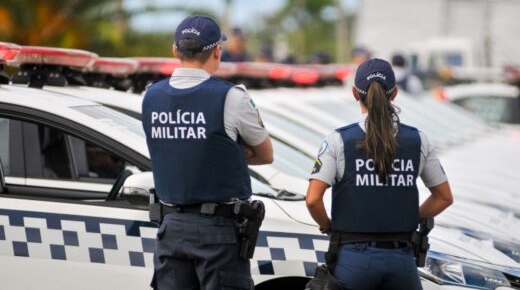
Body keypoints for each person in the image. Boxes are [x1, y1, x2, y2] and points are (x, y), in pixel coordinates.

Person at [141, 15, 273, 290]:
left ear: (175, 50)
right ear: (217, 51)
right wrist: (220, 152)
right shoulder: (231, 97)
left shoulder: (150, 96)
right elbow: (266, 154)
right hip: (218, 234)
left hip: (170, 230)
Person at [306, 58, 453, 289]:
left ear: (355, 93)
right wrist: (406, 216)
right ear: (394, 93)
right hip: (402, 261)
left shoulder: (338, 140)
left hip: (353, 259)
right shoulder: (418, 140)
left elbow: (313, 199)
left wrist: (327, 225)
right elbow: (444, 197)